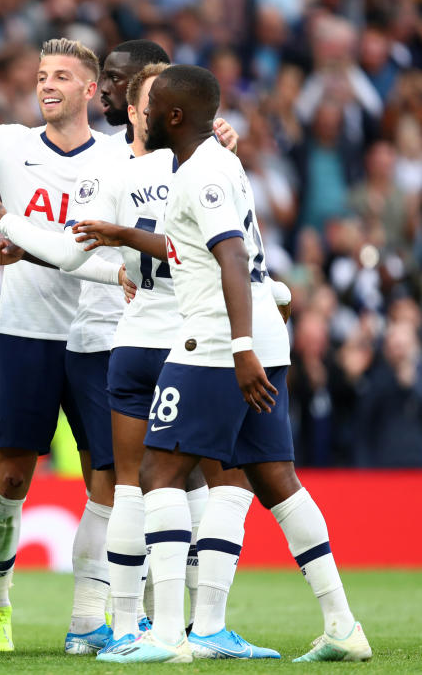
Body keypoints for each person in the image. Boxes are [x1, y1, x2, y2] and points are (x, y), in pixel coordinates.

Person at [94, 64, 371, 664]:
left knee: (159, 475)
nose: (139, 117)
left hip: (216, 343)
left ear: (173, 117)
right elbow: (185, 247)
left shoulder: (202, 172)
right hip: (256, 342)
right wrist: (120, 234)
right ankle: (343, 626)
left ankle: (168, 637)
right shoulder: (214, 167)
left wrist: (240, 350)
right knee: (276, 480)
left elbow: (231, 257)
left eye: (150, 109)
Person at [0, 38, 155, 653]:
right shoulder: (10, 143)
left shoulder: (121, 158)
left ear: (92, 90)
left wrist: (221, 135)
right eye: (40, 75)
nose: (47, 84)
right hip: (27, 332)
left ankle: (88, 620)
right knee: (9, 479)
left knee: (105, 478)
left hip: (102, 334)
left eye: (62, 75)